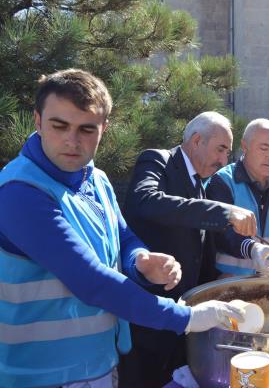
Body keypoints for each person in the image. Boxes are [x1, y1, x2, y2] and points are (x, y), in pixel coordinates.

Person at [0, 69, 245, 388]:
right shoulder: (19, 192)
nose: (72, 141)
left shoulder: (95, 178)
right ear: (37, 121)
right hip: (39, 374)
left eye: (87, 129)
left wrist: (139, 260)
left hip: (100, 363)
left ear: (104, 128)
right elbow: (91, 281)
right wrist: (189, 318)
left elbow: (122, 237)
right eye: (59, 126)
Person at [120, 112, 257, 387]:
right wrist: (223, 211)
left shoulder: (202, 184)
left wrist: (251, 250)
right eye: (220, 149)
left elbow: (209, 238)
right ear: (196, 140)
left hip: (186, 319)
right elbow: (146, 201)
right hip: (150, 315)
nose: (223, 161)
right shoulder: (157, 160)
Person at [206, 119, 269, 276]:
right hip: (227, 282)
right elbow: (220, 231)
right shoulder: (223, 181)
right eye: (264, 149)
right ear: (245, 146)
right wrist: (251, 248)